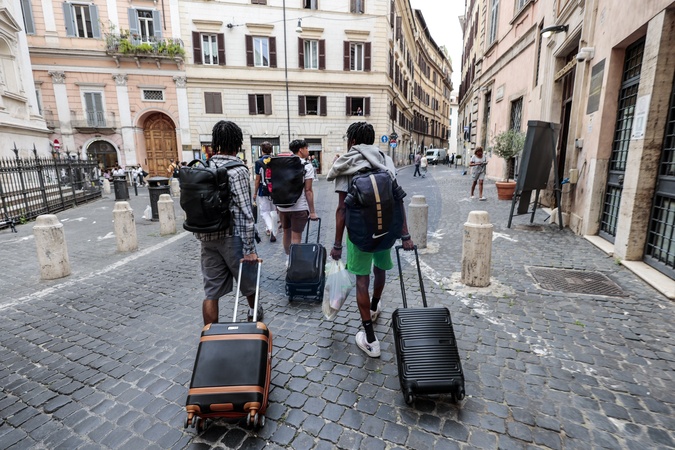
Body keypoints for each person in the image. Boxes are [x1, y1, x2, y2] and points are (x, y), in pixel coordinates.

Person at [327, 122, 415, 358]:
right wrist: (405, 235)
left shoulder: (346, 163)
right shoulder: (385, 160)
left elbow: (341, 210)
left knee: (361, 281)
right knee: (380, 270)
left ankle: (370, 339)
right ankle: (375, 306)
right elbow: (398, 199)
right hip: (386, 230)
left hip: (359, 235)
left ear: (353, 141)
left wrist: (337, 245)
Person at [194, 120, 261, 325]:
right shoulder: (238, 170)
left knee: (211, 292)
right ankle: (254, 316)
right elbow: (246, 212)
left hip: (207, 236)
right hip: (233, 237)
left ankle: (208, 335)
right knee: (249, 284)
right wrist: (250, 249)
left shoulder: (204, 167)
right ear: (237, 143)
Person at [277, 139, 319, 264]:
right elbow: (308, 190)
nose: (308, 151)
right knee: (296, 236)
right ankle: (294, 263)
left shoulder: (282, 163)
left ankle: (288, 259)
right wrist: (312, 212)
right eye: (306, 148)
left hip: (282, 207)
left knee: (286, 233)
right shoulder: (306, 166)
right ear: (301, 150)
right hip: (299, 207)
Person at [253, 141, 278, 243]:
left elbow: (257, 179)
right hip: (275, 189)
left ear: (262, 150)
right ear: (271, 150)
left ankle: (271, 229)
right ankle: (270, 229)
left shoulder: (258, 162)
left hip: (263, 190)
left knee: (264, 211)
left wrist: (255, 192)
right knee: (273, 210)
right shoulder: (276, 160)